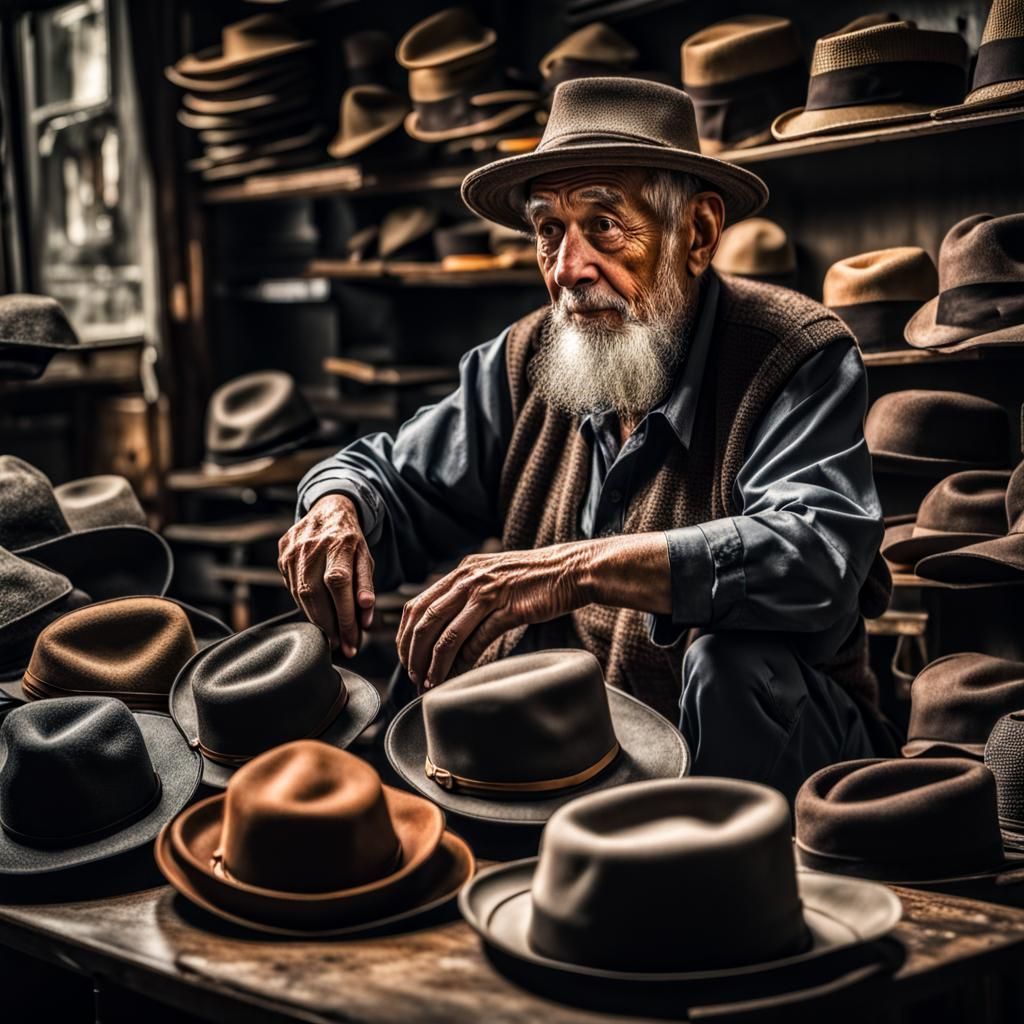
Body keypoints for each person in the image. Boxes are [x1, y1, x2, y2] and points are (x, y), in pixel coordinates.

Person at [278, 77, 893, 801]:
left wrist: (568, 571)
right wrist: (336, 506)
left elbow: (814, 553)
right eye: (548, 231)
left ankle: (718, 895)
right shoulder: (528, 359)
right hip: (590, 762)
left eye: (604, 225)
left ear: (696, 234)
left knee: (732, 662)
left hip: (776, 765)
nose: (569, 268)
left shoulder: (793, 353)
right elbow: (393, 477)